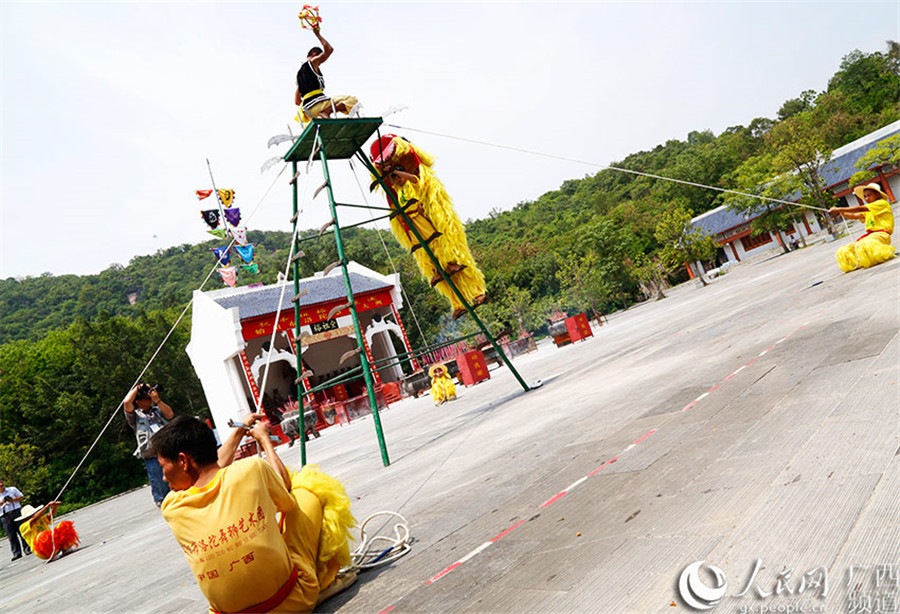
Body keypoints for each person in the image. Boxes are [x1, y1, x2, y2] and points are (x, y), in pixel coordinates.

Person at [153, 414, 356, 613]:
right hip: (295, 601)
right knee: (306, 492)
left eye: (163, 467)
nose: (163, 477)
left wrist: (238, 432)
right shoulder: (252, 469)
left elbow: (211, 469)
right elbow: (286, 493)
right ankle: (323, 581)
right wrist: (265, 440)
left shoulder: (172, 506)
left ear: (183, 461)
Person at [294, 26, 359, 124]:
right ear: (315, 54)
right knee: (352, 100)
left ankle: (324, 112)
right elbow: (329, 50)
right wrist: (317, 34)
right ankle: (326, 112)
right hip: (319, 104)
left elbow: (297, 102)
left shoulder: (299, 76)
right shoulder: (313, 62)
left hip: (308, 112)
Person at [124, 383, 174, 506]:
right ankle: (161, 500)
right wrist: (138, 387)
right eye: (147, 398)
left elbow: (170, 414)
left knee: (174, 477)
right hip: (151, 454)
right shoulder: (135, 416)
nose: (149, 399)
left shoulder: (157, 409)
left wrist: (157, 400)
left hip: (166, 450)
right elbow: (126, 402)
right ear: (139, 402)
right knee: (159, 483)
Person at [829, 182, 896, 272]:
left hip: (882, 234)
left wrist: (840, 209)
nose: (867, 198)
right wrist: (842, 213)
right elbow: (856, 215)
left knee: (864, 244)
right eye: (865, 196)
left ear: (877, 194)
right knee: (845, 251)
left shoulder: (882, 203)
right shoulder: (869, 208)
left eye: (869, 195)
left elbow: (861, 208)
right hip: (870, 235)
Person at [0, 479, 30, 560]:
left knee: (22, 530)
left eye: (2, 482)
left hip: (16, 511)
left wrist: (12, 500)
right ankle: (16, 553)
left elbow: (21, 496)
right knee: (11, 535)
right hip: (5, 515)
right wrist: (2, 502)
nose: (1, 484)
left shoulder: (12, 489)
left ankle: (27, 549)